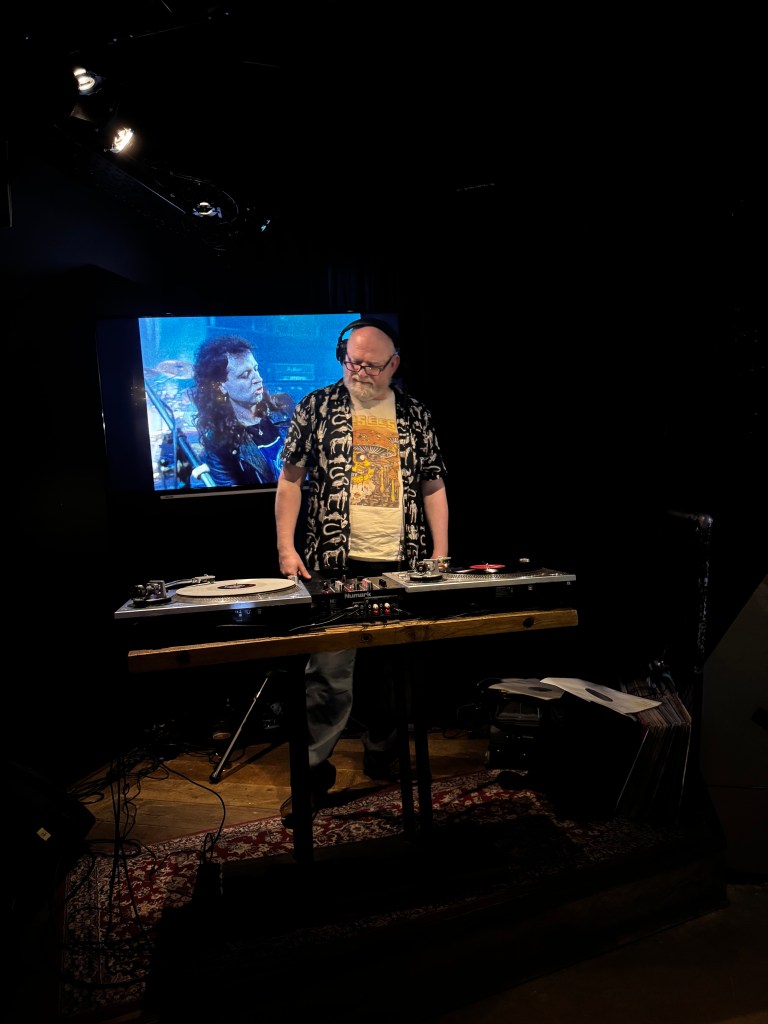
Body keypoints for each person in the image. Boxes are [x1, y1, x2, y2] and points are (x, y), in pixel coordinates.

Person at [275, 317, 449, 824]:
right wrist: (286, 548)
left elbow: (433, 484)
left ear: (394, 365)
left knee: (396, 677)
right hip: (335, 564)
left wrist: (441, 552)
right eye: (352, 361)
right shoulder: (316, 406)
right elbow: (290, 479)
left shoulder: (414, 414)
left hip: (402, 562)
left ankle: (383, 756)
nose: (359, 372)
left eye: (371, 365)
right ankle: (311, 778)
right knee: (327, 679)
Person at [192, 334, 295, 486]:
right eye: (245, 375)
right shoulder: (219, 445)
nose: (258, 379)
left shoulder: (285, 409)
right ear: (220, 386)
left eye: (256, 369)